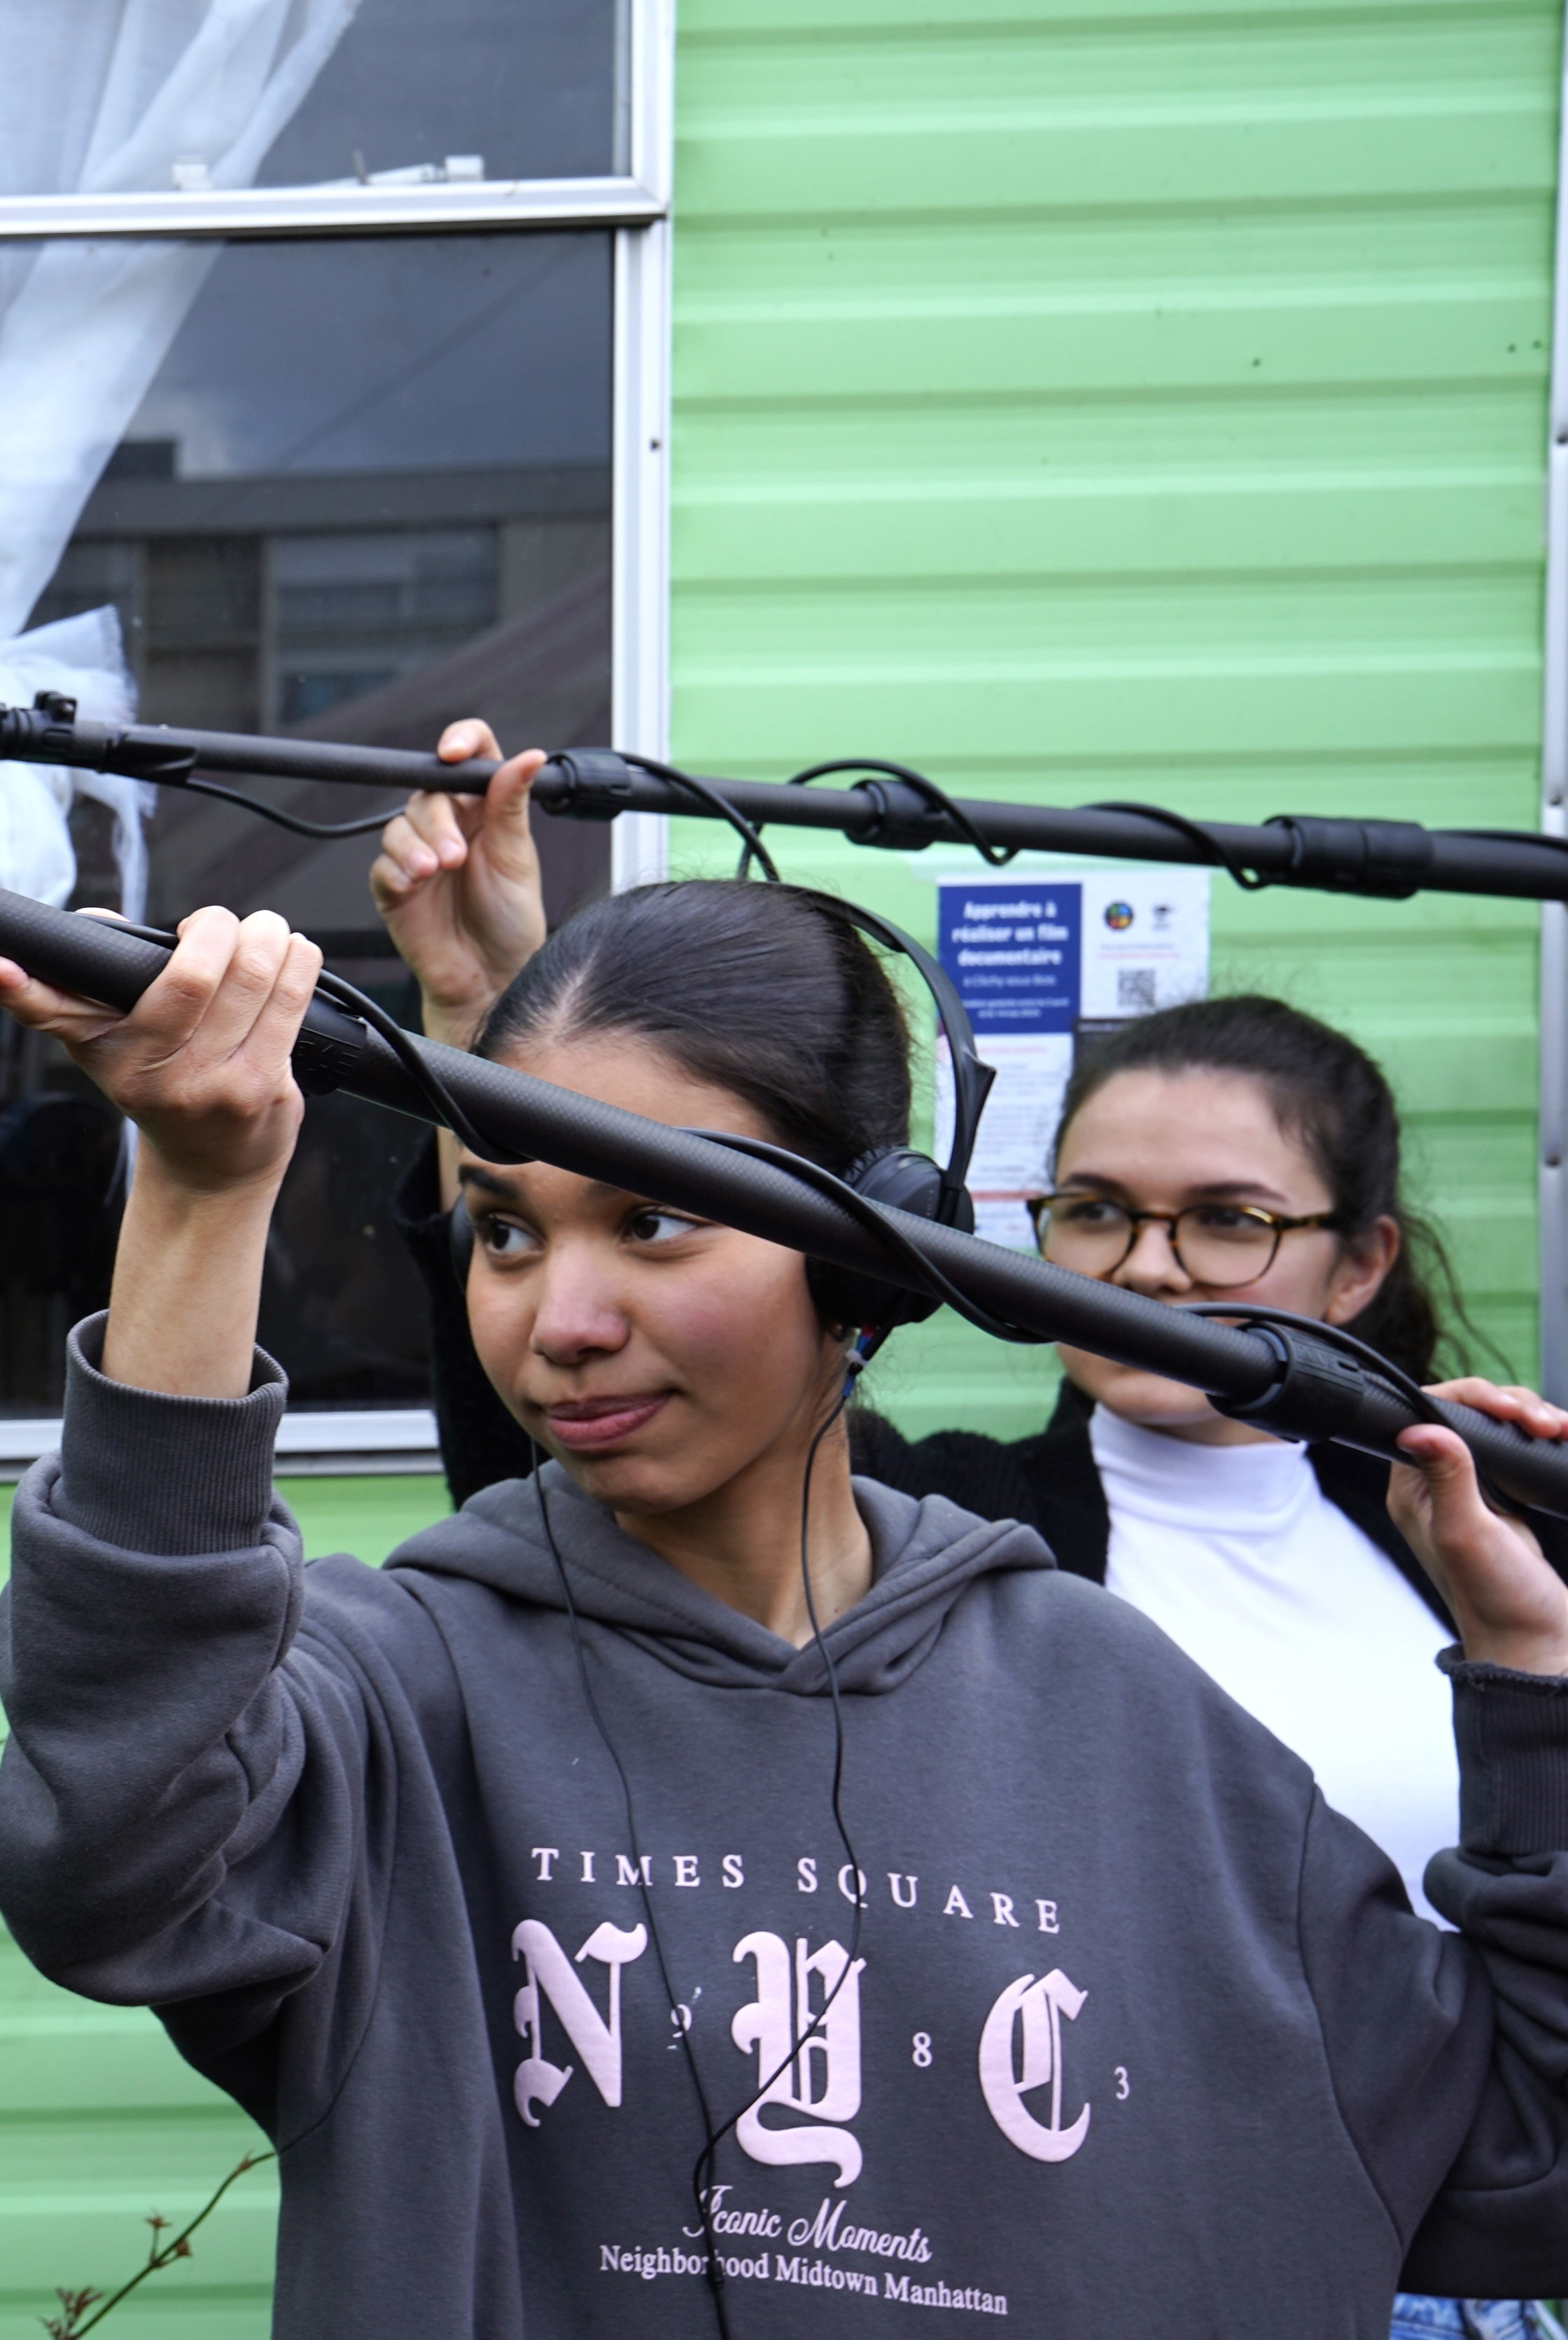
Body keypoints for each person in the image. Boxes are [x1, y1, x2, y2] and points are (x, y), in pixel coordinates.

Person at [0, 881, 1568, 2331]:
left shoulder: (1120, 1706)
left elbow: (1524, 2161)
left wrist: (1532, 1668)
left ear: (866, 1254)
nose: (564, 1320)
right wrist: (198, 1190)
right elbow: (110, 1849)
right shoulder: (399, 1689)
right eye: (509, 1229)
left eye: (653, 1219)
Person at [374, 727, 1568, 1931]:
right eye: (1094, 1212)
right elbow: (560, 1478)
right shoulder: (944, 1526)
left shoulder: (1495, 1545)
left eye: (1227, 1220)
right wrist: (482, 1034)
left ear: (1359, 1265)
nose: (1148, 1266)